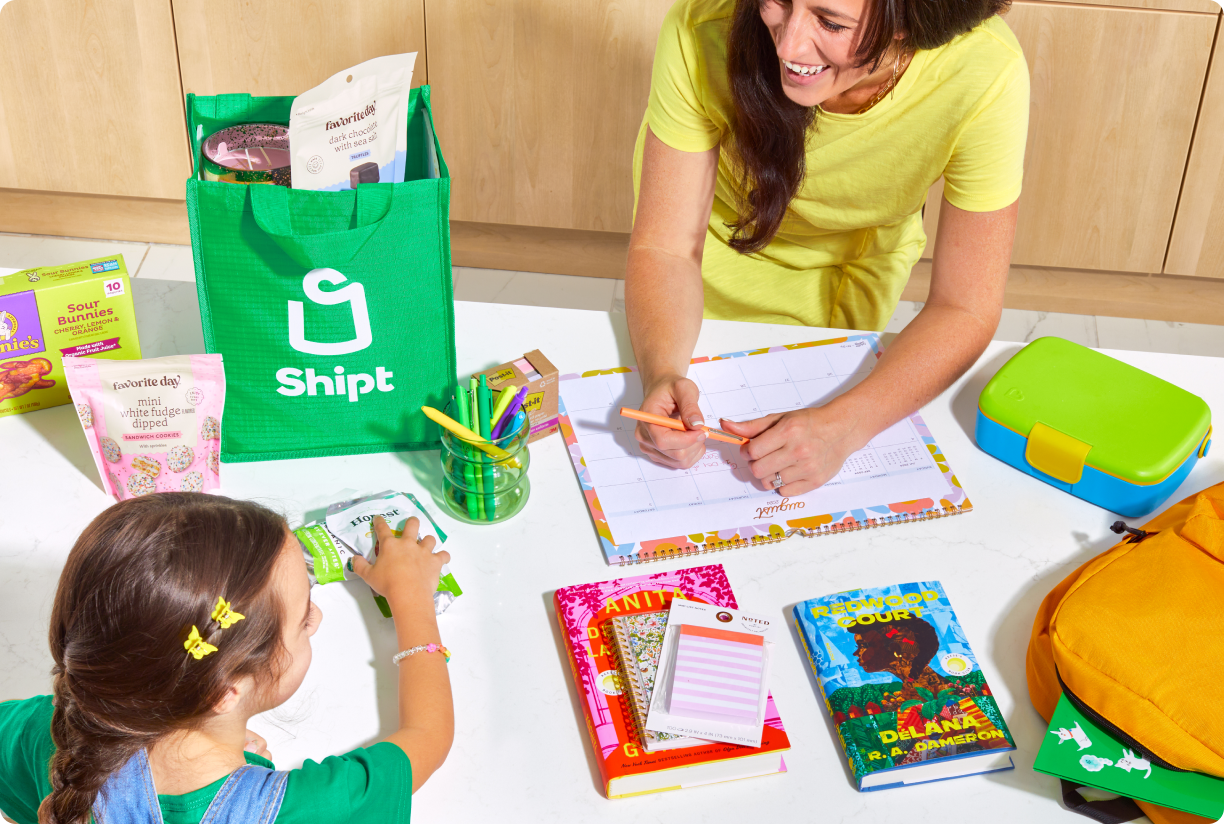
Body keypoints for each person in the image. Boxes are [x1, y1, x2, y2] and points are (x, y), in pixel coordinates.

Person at [627, 0, 1028, 495]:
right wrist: (662, 372)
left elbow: (965, 307)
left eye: (831, 22)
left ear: (907, 23)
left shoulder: (984, 72)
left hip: (847, 272)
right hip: (707, 257)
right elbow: (666, 248)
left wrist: (846, 426)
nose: (788, 46)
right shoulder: (700, 27)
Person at [0, 493, 451, 824]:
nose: (314, 618)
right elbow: (428, 736)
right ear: (223, 693)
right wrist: (412, 597)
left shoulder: (53, 731)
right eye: (301, 619)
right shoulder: (314, 807)